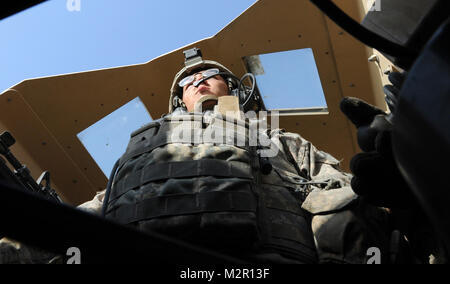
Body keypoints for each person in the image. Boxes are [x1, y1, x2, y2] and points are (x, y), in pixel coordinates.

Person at [0, 48, 411, 264]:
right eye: (188, 82)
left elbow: (334, 192)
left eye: (207, 76)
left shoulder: (277, 138)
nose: (197, 82)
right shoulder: (146, 144)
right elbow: (100, 208)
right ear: (178, 101)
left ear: (232, 88)